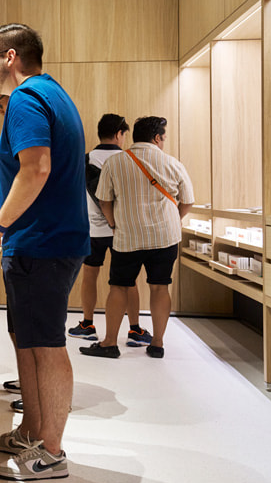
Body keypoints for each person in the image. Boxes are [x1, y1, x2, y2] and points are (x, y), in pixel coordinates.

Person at [0, 23, 89, 481]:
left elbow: (36, 169)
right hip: (46, 239)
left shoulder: (24, 99)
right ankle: (32, 433)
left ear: (10, 57)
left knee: (47, 346)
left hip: (42, 243)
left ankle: (50, 453)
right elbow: (36, 175)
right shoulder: (52, 93)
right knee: (29, 341)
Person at [80, 116, 194, 360]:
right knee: (160, 286)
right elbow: (188, 200)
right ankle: (157, 344)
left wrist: (113, 223)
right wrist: (174, 219)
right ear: (157, 138)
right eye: (163, 137)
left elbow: (104, 200)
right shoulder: (173, 163)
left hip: (128, 236)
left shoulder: (117, 162)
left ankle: (110, 343)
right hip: (165, 238)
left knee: (119, 286)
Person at [69, 114, 150, 344]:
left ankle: (87, 324)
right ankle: (134, 329)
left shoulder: (84, 160)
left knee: (89, 275)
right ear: (118, 134)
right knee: (128, 280)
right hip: (121, 230)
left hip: (92, 230)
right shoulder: (129, 159)